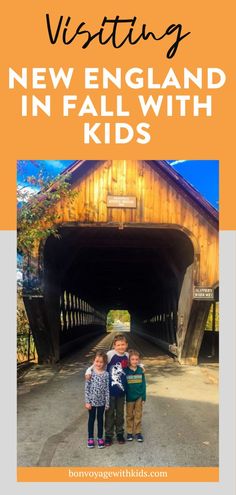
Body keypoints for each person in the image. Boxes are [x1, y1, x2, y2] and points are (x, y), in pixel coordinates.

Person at [85, 333, 129, 446]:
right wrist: (88, 370)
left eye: (123, 345)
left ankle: (119, 433)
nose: (120, 347)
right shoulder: (110, 354)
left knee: (120, 414)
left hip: (121, 392)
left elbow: (135, 363)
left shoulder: (127, 356)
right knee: (109, 414)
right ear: (114, 346)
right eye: (118, 345)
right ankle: (108, 435)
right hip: (109, 391)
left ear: (126, 345)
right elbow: (99, 362)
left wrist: (141, 366)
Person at [85, 351, 110, 449]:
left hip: (102, 402)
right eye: (97, 361)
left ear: (104, 363)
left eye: (101, 362)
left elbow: (107, 389)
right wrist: (87, 401)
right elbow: (87, 388)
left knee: (100, 420)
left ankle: (100, 438)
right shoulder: (90, 373)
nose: (99, 364)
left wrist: (107, 402)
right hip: (91, 402)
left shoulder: (106, 374)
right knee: (91, 419)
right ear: (93, 361)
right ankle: (90, 438)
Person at [124, 349, 146, 442]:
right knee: (129, 415)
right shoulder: (126, 371)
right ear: (129, 360)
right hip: (129, 397)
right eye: (132, 359)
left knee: (138, 414)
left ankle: (137, 432)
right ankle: (129, 432)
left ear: (139, 360)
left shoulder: (141, 370)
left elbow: (144, 384)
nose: (135, 361)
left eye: (136, 359)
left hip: (139, 397)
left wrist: (144, 397)